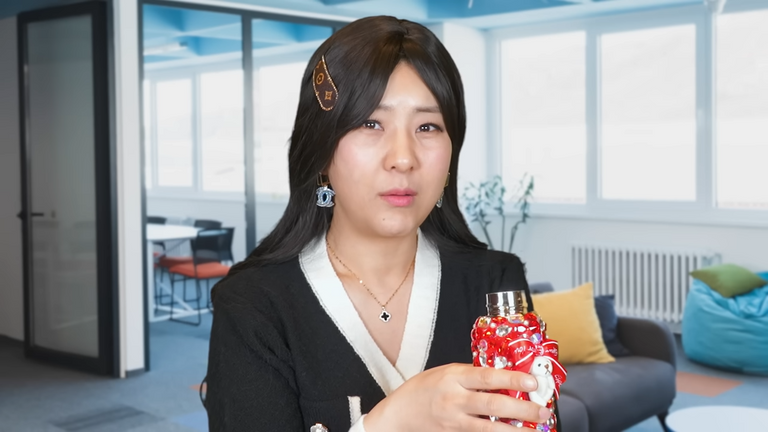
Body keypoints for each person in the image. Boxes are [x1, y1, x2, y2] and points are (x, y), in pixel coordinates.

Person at [205, 15, 552, 432]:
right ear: (321, 151)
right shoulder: (252, 306)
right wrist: (392, 420)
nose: (403, 158)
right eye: (370, 123)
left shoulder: (495, 283)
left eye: (428, 126)